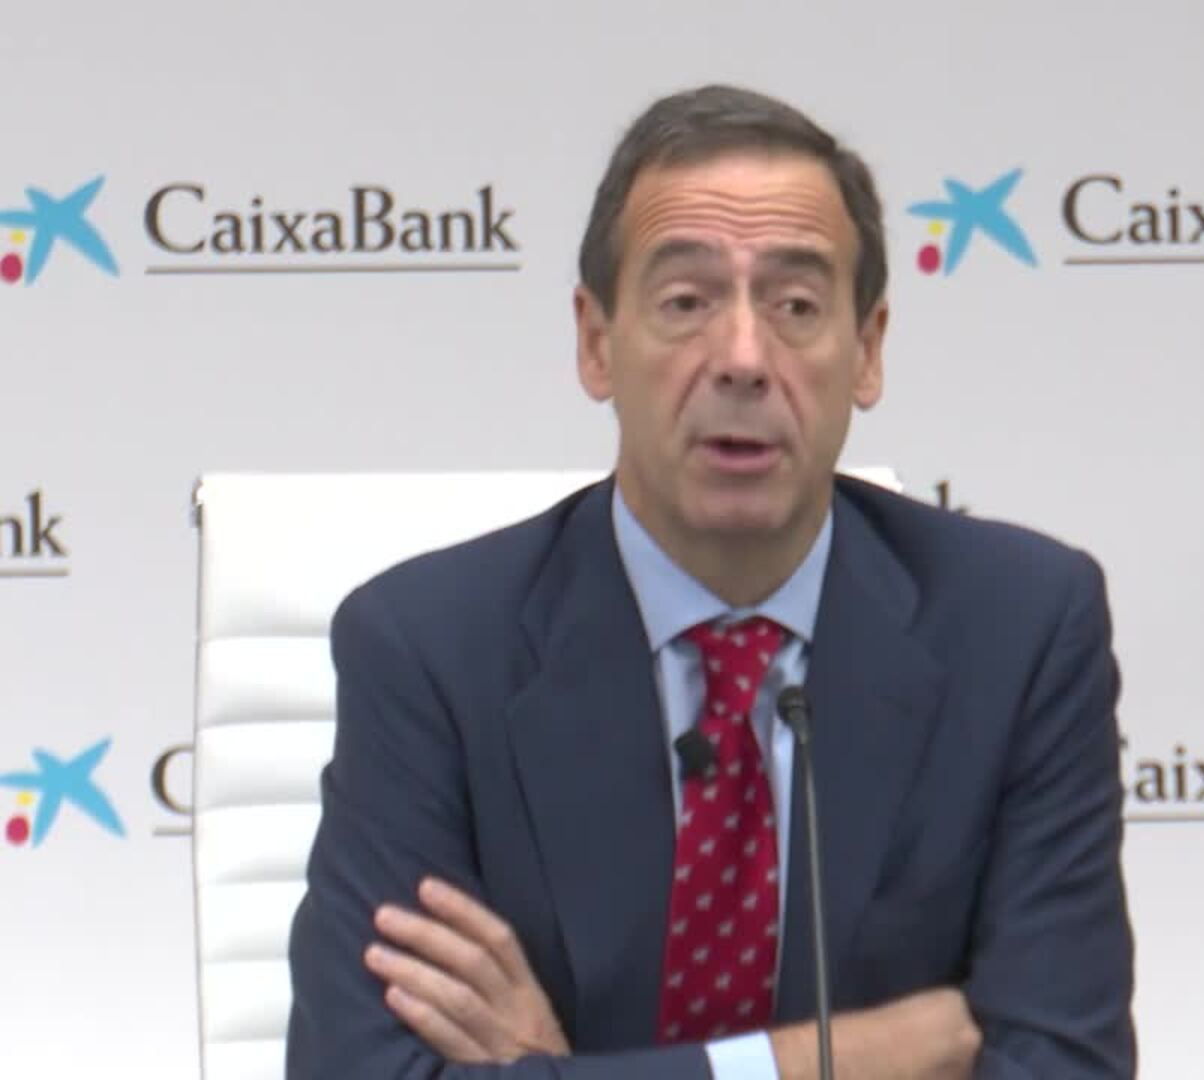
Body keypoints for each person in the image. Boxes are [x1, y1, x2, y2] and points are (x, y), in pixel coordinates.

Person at [286, 84, 1136, 1078]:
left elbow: (1065, 1066)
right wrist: (828, 1063)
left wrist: (554, 1071)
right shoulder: (427, 650)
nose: (741, 358)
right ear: (596, 342)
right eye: (686, 303)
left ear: (868, 350)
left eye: (797, 307)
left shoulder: (1022, 630)